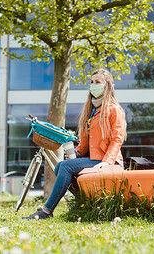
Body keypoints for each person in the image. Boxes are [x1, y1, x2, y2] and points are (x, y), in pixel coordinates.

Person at [23, 69, 127, 220]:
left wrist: (106, 162)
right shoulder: (90, 111)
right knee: (60, 166)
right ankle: (86, 202)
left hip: (108, 161)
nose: (93, 85)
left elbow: (117, 139)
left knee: (65, 166)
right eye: (92, 82)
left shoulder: (114, 110)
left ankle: (46, 211)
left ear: (107, 86)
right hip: (94, 160)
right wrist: (76, 153)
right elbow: (84, 143)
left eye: (98, 82)